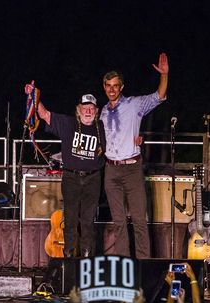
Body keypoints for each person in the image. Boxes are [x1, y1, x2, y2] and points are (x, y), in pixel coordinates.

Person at [25, 81, 105, 257]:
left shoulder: (102, 127)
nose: (88, 111)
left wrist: (136, 140)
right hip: (71, 178)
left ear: (96, 111)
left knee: (88, 220)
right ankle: (68, 255)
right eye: (84, 108)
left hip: (93, 178)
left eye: (91, 108)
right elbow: (44, 114)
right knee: (69, 219)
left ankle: (87, 255)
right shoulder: (68, 123)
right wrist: (33, 96)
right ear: (78, 110)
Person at [100, 53, 169, 259]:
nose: (112, 89)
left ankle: (143, 263)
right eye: (108, 86)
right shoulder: (102, 112)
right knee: (119, 221)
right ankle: (124, 262)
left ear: (121, 87)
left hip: (132, 168)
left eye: (115, 86)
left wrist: (164, 75)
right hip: (111, 170)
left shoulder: (133, 104)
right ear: (104, 87)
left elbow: (159, 96)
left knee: (139, 219)